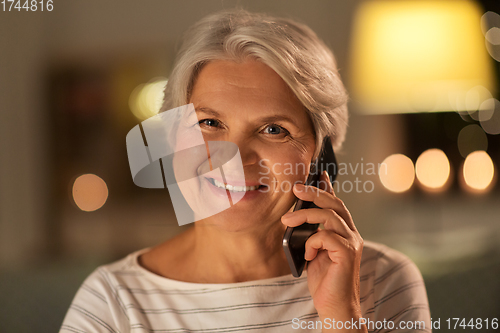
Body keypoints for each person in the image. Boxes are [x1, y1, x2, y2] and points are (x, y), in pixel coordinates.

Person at [60, 9, 431, 333]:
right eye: (209, 123)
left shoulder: (383, 280)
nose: (233, 158)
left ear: (322, 158)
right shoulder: (112, 303)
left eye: (274, 130)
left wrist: (342, 318)